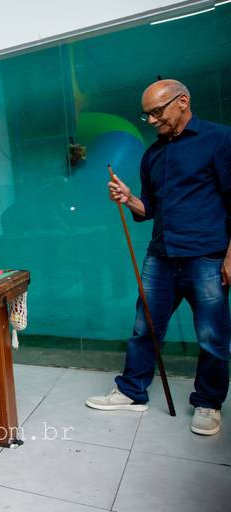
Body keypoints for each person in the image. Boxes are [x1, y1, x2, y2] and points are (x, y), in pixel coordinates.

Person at [86, 79, 231, 437]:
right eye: (146, 114)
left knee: (212, 336)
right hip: (161, 256)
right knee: (144, 327)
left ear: (182, 101)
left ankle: (208, 402)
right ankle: (132, 391)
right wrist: (128, 198)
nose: (151, 120)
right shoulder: (152, 154)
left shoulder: (219, 139)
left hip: (206, 256)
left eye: (156, 112)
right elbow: (149, 208)